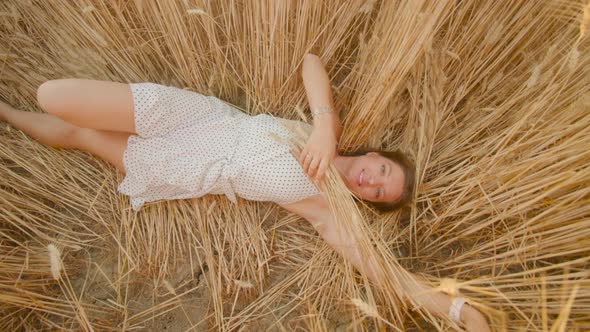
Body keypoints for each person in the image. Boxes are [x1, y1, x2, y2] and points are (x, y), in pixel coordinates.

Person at [0, 53, 490, 331]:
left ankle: (4, 112)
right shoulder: (321, 133)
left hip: (191, 167)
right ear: (371, 155)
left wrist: (458, 310)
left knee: (79, 135)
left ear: (368, 202)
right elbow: (310, 62)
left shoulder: (325, 208)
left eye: (381, 193)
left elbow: (386, 273)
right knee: (54, 95)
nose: (374, 180)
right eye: (382, 169)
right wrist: (325, 126)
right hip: (198, 116)